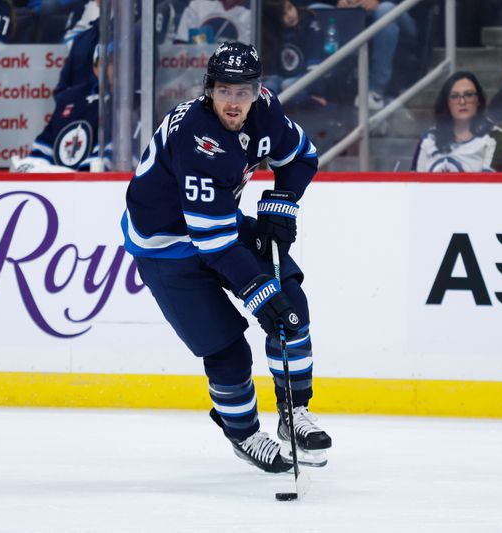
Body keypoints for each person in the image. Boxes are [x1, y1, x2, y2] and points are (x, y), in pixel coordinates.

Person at [121, 41, 331, 473]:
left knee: (290, 305)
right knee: (228, 349)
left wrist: (281, 200)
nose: (234, 102)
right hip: (165, 246)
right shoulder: (198, 142)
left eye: (243, 91)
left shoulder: (265, 109)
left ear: (258, 91)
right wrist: (259, 294)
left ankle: (294, 414)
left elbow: (303, 157)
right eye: (224, 91)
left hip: (219, 222)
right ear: (208, 90)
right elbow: (212, 243)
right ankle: (244, 433)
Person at [11, 44, 110, 172]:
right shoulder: (71, 99)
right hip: (63, 184)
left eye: (113, 63)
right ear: (95, 68)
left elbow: (106, 159)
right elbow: (44, 146)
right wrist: (34, 167)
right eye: (104, 63)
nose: (109, 69)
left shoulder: (129, 105)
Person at [412, 71, 502, 172]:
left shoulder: (493, 137)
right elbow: (414, 184)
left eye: (468, 95)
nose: (462, 102)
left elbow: (490, 185)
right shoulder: (429, 139)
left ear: (478, 101)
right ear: (447, 103)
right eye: (455, 96)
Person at [261, 0, 328, 108]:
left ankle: (310, 101)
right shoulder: (273, 33)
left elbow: (315, 65)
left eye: (290, 8)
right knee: (267, 87)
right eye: (283, 14)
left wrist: (316, 91)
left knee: (288, 85)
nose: (290, 15)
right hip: (283, 77)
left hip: (305, 78)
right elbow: (272, 67)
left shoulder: (311, 26)